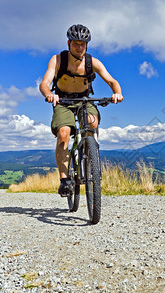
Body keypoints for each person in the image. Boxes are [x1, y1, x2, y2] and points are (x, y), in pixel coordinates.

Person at [39, 24, 123, 196]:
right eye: (76, 43)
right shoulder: (58, 60)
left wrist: (117, 93)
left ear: (87, 45)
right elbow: (44, 83)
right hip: (62, 100)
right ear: (69, 43)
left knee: (92, 123)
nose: (79, 47)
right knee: (63, 133)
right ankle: (64, 180)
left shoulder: (93, 62)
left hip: (84, 99)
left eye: (83, 44)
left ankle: (89, 152)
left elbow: (112, 81)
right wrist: (49, 95)